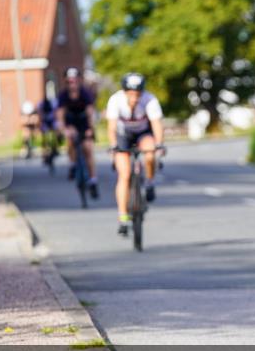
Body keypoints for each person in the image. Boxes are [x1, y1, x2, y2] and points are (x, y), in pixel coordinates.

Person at [106, 73, 165, 236]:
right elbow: (111, 128)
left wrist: (159, 145)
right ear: (124, 92)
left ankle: (150, 182)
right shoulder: (115, 100)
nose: (134, 97)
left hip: (143, 133)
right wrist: (113, 147)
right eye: (130, 93)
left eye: (137, 94)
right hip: (123, 135)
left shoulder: (150, 100)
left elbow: (157, 125)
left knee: (150, 153)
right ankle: (123, 217)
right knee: (124, 174)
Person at [56, 67, 99, 198]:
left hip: (83, 122)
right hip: (71, 123)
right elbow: (60, 114)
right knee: (71, 137)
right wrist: (62, 129)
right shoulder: (63, 95)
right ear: (66, 82)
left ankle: (93, 180)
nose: (72, 84)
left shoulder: (85, 93)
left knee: (88, 149)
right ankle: (73, 164)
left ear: (78, 81)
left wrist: (90, 129)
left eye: (74, 81)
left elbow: (90, 112)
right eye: (69, 82)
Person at [37, 94, 60, 167]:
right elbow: (40, 114)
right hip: (47, 121)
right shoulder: (42, 104)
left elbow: (56, 113)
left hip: (51, 121)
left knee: (53, 135)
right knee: (45, 138)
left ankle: (55, 147)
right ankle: (46, 152)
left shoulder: (52, 103)